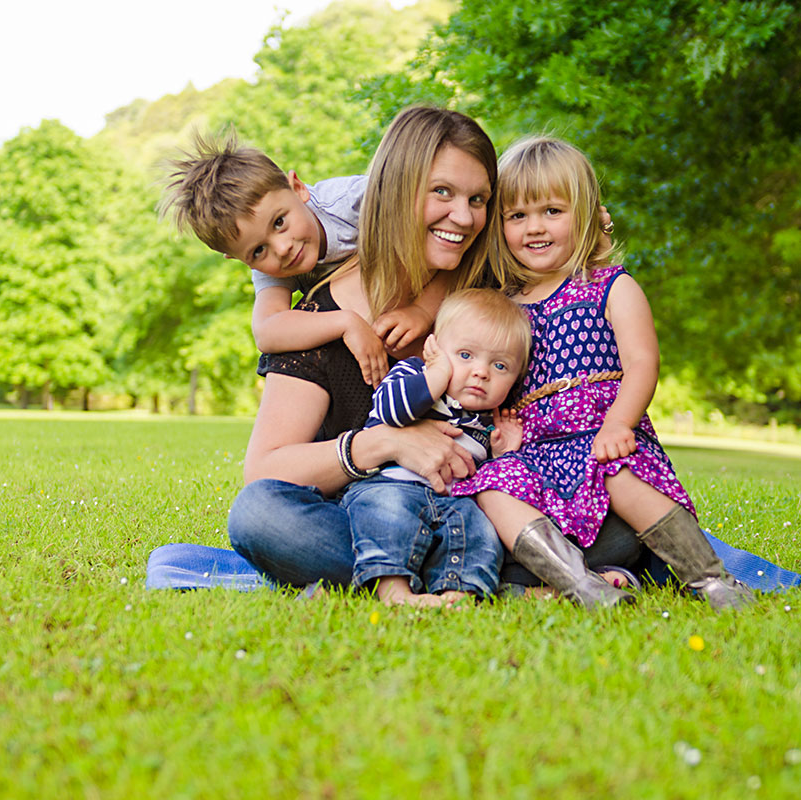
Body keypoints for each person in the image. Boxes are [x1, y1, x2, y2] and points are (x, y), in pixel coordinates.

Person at [452, 136, 755, 611]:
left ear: (590, 215)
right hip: (536, 457)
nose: (535, 227)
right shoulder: (503, 305)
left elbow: (642, 363)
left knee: (613, 472)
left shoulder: (609, 286)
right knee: (492, 488)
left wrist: (619, 422)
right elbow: (491, 380)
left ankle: (711, 580)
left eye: (552, 211)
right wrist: (502, 434)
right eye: (517, 216)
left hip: (601, 439)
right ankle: (582, 585)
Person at [224, 106, 502, 589]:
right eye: (441, 192)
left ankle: (424, 571)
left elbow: (556, 229)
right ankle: (444, 572)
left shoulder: (489, 299)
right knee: (259, 516)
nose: (464, 216)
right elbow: (265, 470)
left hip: (479, 512)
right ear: (396, 188)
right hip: (373, 516)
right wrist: (387, 442)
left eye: (478, 199)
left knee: (612, 523)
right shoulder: (317, 319)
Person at [160, 136, 441, 386]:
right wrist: (346, 323)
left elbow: (454, 243)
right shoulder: (270, 266)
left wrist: (422, 310)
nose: (281, 248)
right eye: (258, 251)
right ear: (238, 259)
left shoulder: (357, 202)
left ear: (297, 188)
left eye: (279, 222)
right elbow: (267, 331)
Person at [342, 289, 530, 607]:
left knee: (480, 529)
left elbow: (485, 483)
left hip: (451, 503)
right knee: (385, 516)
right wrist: (438, 373)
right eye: (466, 356)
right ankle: (395, 593)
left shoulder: (488, 423)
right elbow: (389, 412)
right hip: (391, 485)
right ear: (436, 348)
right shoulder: (412, 373)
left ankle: (458, 593)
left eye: (499, 366)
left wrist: (504, 454)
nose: (481, 372)